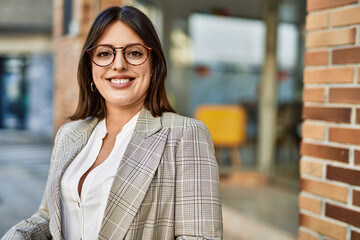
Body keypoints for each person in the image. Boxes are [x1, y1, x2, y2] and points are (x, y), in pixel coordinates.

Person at [2, 6, 223, 240]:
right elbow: (48, 218)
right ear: (90, 66)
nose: (118, 64)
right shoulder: (70, 134)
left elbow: (200, 237)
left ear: (154, 65)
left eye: (135, 53)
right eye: (104, 53)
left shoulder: (185, 135)